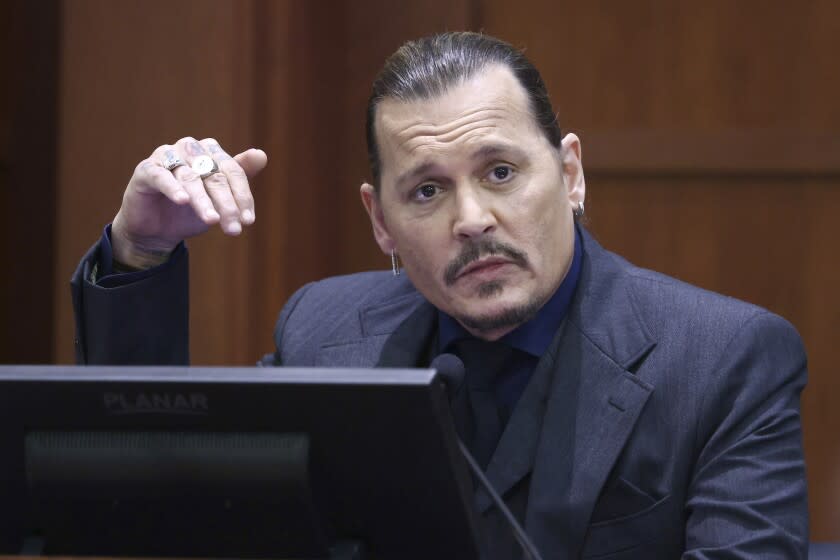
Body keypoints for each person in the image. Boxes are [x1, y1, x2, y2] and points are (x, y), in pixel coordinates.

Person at [71, 32, 809, 558]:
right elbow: (153, 504)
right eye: (426, 190)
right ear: (380, 220)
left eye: (499, 173)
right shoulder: (327, 336)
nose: (472, 220)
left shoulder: (724, 358)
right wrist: (142, 252)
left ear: (571, 173)